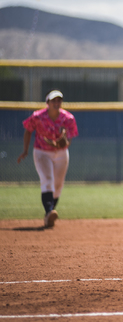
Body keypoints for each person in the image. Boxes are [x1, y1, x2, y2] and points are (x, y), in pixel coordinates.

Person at [17, 90, 78, 228]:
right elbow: (28, 130)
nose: (56, 103)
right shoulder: (38, 116)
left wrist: (66, 143)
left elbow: (69, 138)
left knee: (58, 185)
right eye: (53, 100)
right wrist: (25, 150)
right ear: (47, 103)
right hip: (42, 152)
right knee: (48, 180)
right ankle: (50, 211)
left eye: (59, 100)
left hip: (61, 153)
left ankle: (48, 216)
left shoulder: (68, 118)